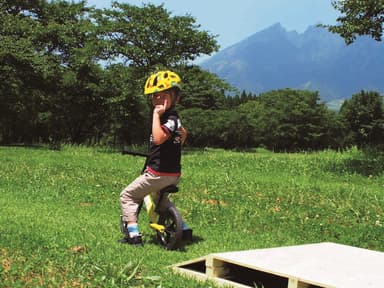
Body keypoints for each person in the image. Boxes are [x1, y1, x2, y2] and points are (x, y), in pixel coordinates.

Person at [119, 70, 192, 245]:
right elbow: (182, 136)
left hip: (158, 173)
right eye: (154, 97)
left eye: (162, 96)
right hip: (173, 174)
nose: (157, 100)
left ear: (175, 98)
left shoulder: (168, 118)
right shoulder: (176, 120)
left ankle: (133, 235)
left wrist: (155, 115)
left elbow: (158, 138)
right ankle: (184, 228)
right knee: (161, 200)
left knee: (127, 195)